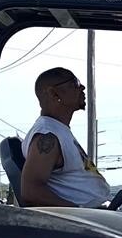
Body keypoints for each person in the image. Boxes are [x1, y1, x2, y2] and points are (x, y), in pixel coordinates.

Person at [19, 67, 115, 208]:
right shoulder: (47, 135)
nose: (82, 87)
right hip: (90, 221)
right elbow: (31, 191)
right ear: (53, 93)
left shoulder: (59, 131)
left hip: (101, 214)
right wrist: (78, 212)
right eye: (74, 83)